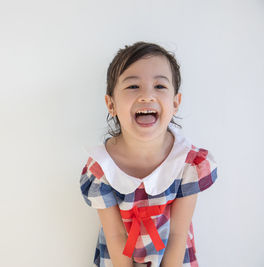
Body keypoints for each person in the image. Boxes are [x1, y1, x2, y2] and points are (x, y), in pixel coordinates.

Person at [79, 41, 218, 267]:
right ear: (111, 104)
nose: (147, 95)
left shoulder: (187, 164)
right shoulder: (102, 168)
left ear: (175, 103)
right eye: (133, 86)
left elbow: (177, 235)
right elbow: (115, 236)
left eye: (160, 86)